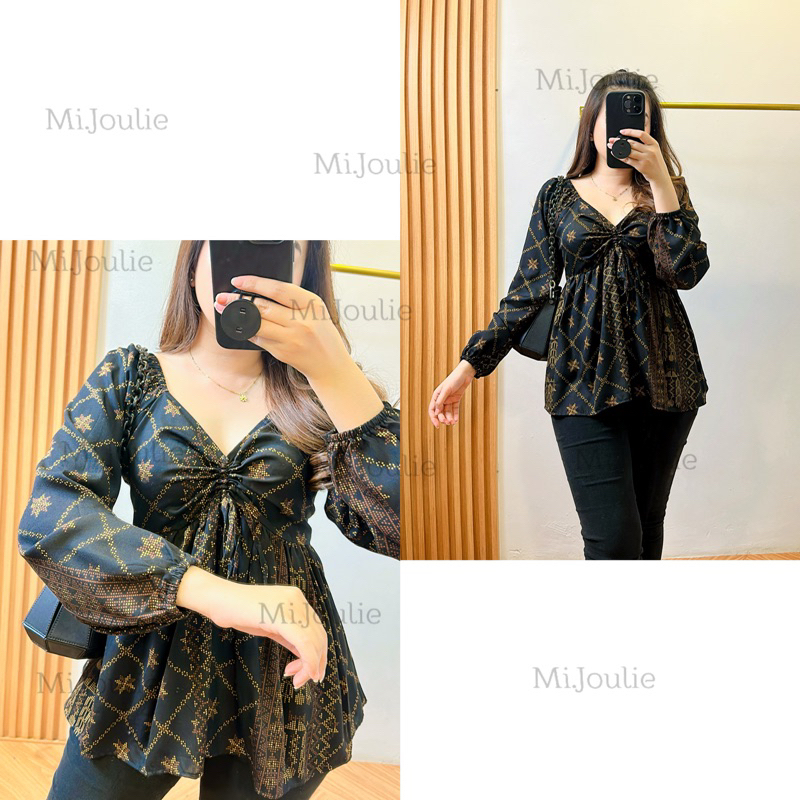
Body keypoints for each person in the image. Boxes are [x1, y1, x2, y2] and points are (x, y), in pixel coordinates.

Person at [18, 240, 400, 799]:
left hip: (282, 667)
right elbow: (53, 514)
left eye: (281, 246)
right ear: (194, 256)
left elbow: (403, 529)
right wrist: (219, 595)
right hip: (148, 660)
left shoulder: (325, 388)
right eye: (230, 238)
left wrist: (334, 370)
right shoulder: (131, 377)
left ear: (305, 268)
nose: (248, 266)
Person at [429, 69, 709, 560]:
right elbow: (528, 292)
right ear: (592, 123)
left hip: (666, 377)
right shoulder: (557, 195)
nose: (626, 127)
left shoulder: (669, 191)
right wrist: (469, 366)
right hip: (582, 378)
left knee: (647, 527)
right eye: (613, 116)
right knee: (613, 540)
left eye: (640, 118)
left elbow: (685, 272)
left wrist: (662, 182)